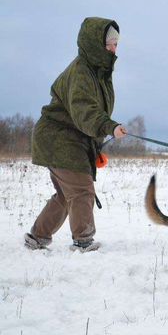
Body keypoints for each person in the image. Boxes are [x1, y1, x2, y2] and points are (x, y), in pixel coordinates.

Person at [24, 17, 128, 252]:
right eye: (110, 43)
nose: (114, 48)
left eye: (116, 44)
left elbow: (89, 114)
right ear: (95, 43)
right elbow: (85, 111)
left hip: (72, 139)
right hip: (58, 138)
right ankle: (83, 242)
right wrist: (109, 126)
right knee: (81, 189)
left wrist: (97, 141)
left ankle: (37, 236)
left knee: (65, 194)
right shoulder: (81, 72)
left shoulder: (98, 72)